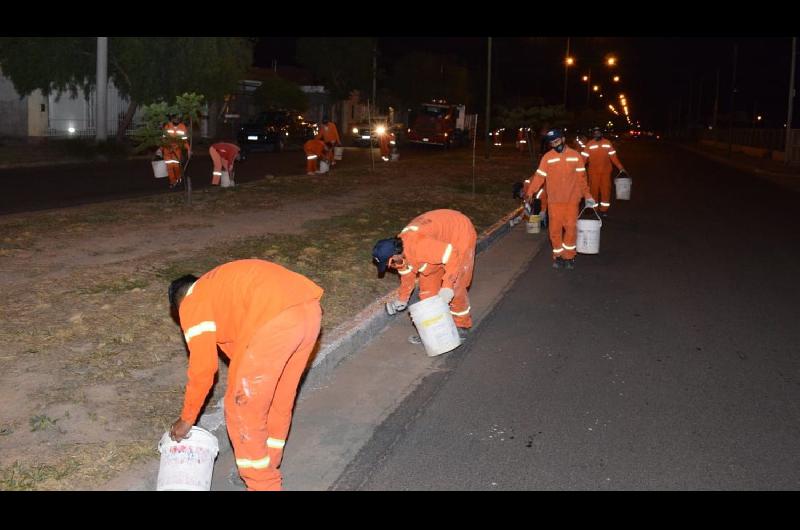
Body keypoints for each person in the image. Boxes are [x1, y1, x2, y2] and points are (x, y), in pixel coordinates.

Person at [167, 259, 323, 491]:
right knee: (278, 400)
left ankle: (263, 485)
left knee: (242, 408)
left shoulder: (191, 301)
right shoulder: (217, 287)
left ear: (179, 305)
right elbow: (237, 344)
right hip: (309, 313)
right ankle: (268, 464)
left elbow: (203, 369)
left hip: (274, 322)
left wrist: (187, 419)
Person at [372, 209, 477, 344]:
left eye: (390, 263)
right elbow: (407, 275)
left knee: (456, 287)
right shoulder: (400, 253)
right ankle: (432, 331)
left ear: (396, 254)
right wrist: (402, 299)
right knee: (428, 293)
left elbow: (451, 255)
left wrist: (447, 287)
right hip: (438, 244)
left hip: (459, 233)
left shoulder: (420, 246)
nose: (391, 267)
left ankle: (462, 325)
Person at [523, 128, 596, 270]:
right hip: (554, 201)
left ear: (563, 139)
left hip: (572, 200)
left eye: (556, 141)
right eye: (552, 143)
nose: (555, 144)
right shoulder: (547, 157)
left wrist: (587, 196)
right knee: (554, 231)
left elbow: (582, 179)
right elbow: (539, 177)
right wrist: (530, 192)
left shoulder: (576, 156)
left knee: (570, 229)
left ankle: (569, 256)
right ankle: (558, 256)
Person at [581, 126, 626, 217]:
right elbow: (583, 159)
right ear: (593, 134)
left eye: (598, 132)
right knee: (593, 191)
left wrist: (621, 167)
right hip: (593, 173)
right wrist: (577, 170)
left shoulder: (607, 143)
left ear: (601, 133)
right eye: (595, 132)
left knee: (606, 191)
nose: (597, 134)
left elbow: (613, 157)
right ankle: (594, 209)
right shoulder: (589, 144)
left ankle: (604, 210)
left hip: (606, 173)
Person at [161, 114, 190, 189]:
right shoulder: (167, 126)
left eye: (178, 118)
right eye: (175, 118)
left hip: (177, 149)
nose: (176, 120)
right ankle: (172, 182)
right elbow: (163, 139)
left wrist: (188, 149)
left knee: (176, 166)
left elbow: (184, 140)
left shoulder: (183, 127)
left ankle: (178, 179)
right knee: (169, 167)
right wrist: (161, 149)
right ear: (172, 118)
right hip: (167, 149)